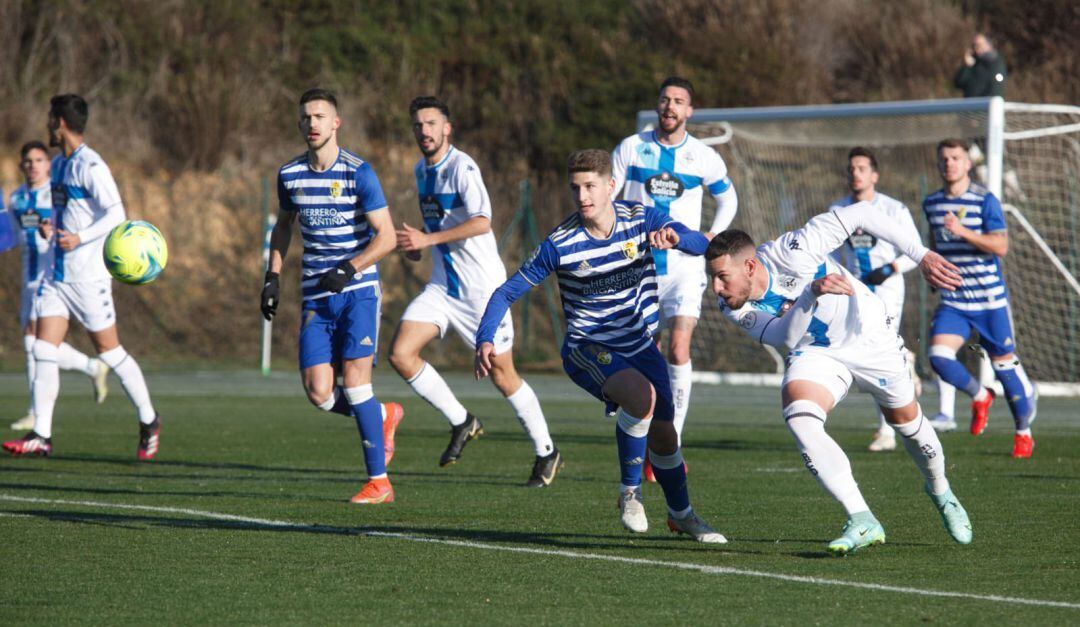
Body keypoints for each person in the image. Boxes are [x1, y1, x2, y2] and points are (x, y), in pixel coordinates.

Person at [476, 149, 726, 543]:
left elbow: (700, 244)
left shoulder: (642, 219)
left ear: (611, 186)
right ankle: (629, 492)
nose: (582, 196)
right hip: (587, 347)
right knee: (640, 398)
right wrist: (485, 336)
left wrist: (679, 238)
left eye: (590, 186)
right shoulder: (561, 243)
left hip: (641, 345)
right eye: (575, 188)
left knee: (665, 436)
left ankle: (683, 515)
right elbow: (506, 292)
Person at [707, 203, 972, 555]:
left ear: (751, 266)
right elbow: (785, 338)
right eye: (712, 277)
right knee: (800, 418)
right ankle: (862, 517)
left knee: (906, 423)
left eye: (723, 276)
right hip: (816, 352)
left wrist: (921, 255)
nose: (715, 288)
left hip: (870, 338)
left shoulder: (796, 249)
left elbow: (862, 213)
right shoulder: (733, 306)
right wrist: (811, 294)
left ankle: (940, 490)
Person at [389, 96, 562, 487]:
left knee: (504, 375)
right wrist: (420, 246)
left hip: (482, 293)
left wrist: (428, 238)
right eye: (418, 125)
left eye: (431, 123)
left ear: (447, 128)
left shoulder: (463, 167)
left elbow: (483, 222)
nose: (424, 131)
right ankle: (462, 420)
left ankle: (547, 451)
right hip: (442, 287)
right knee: (400, 353)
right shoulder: (421, 170)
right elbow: (435, 228)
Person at [260, 88, 402, 504]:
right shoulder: (290, 174)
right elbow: (284, 227)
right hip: (315, 296)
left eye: (319, 117)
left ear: (335, 122)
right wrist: (272, 277)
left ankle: (380, 482)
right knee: (319, 392)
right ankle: (382, 415)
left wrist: (350, 267)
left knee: (356, 383)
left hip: (357, 291)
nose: (312, 124)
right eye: (305, 118)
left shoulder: (359, 172)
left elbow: (387, 236)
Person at [2, 95, 157, 459]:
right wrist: (49, 227)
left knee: (110, 351)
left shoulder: (92, 165)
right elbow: (63, 215)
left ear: (60, 123)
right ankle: (42, 434)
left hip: (89, 278)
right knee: (41, 348)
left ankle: (149, 419)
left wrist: (81, 237)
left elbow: (116, 214)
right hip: (56, 276)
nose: (46, 125)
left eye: (49, 119)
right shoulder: (57, 166)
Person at [611, 76, 737, 472]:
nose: (670, 107)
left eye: (679, 101)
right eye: (665, 100)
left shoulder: (701, 156)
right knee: (644, 355)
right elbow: (609, 198)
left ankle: (670, 444)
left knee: (679, 348)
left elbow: (727, 197)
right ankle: (643, 424)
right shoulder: (631, 148)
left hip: (684, 269)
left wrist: (712, 235)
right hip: (639, 269)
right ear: (657, 106)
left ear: (689, 111)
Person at [923, 138, 1036, 458]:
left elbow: (1000, 246)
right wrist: (933, 271)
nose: (949, 164)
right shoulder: (931, 203)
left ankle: (1023, 432)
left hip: (989, 303)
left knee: (1004, 367)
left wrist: (964, 232)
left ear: (967, 163)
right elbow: (934, 242)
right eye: (944, 159)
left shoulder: (985, 200)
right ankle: (978, 395)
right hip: (955, 301)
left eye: (955, 158)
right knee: (938, 357)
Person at [8, 141, 109, 431]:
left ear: (48, 164)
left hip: (51, 273)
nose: (33, 165)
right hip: (28, 276)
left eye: (39, 159)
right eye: (28, 161)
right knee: (33, 343)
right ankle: (91, 366)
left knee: (34, 341)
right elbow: (13, 233)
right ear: (21, 165)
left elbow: (66, 222)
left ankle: (36, 413)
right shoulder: (16, 199)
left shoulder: (56, 194)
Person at [828, 147, 922, 453]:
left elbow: (915, 251)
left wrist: (891, 268)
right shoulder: (837, 210)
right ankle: (904, 356)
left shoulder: (894, 210)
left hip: (887, 291)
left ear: (874, 175)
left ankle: (887, 431)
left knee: (877, 352)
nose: (855, 173)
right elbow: (829, 254)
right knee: (863, 350)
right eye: (851, 168)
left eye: (862, 168)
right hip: (854, 293)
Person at [954, 33, 1007, 98]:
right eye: (974, 45)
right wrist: (966, 66)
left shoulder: (995, 63)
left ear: (988, 45)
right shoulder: (973, 62)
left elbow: (996, 87)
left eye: (979, 45)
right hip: (970, 105)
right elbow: (958, 83)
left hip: (985, 105)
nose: (976, 48)